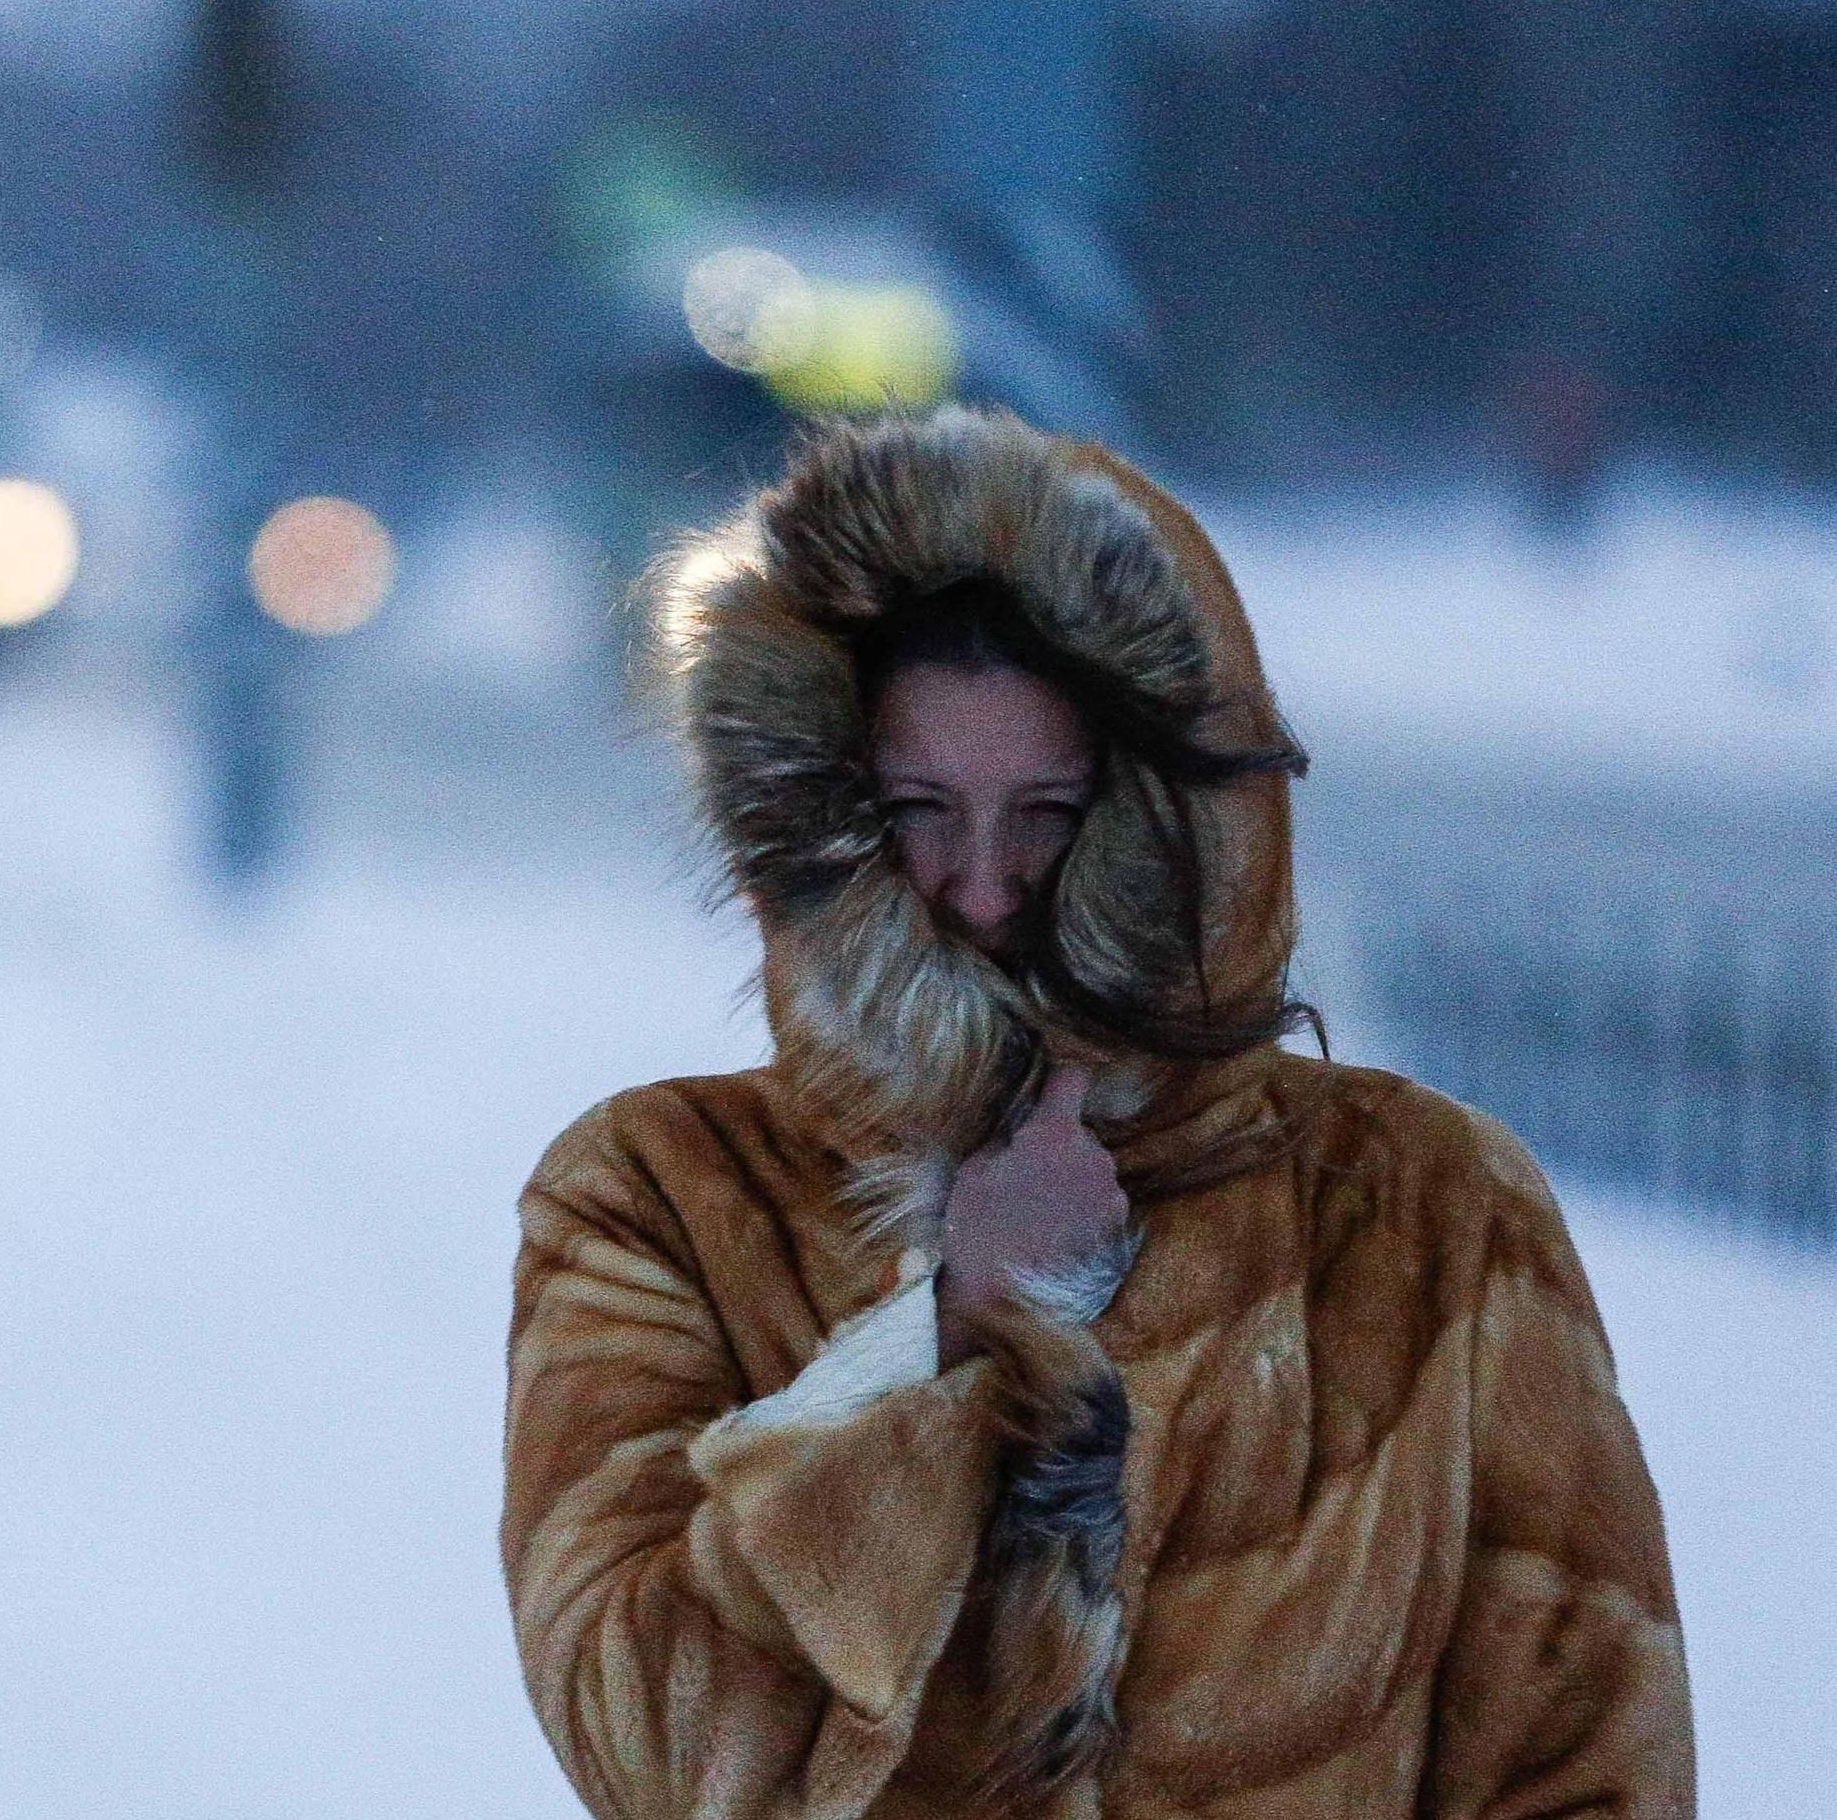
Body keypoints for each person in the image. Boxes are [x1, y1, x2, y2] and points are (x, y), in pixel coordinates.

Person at [502, 408, 1690, 1817]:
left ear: (1163, 822)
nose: (983, 884)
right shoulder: (658, 1195)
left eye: (1048, 810)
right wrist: (940, 1332)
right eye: (917, 808)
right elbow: (643, 1746)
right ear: (823, 813)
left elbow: (1580, 1757)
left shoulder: (1426, 1208)